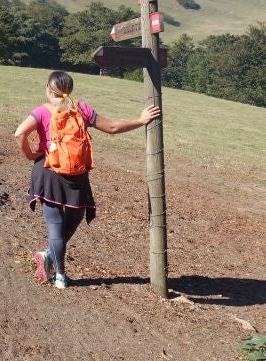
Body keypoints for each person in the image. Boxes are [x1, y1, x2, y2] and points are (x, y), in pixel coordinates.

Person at [13, 70, 161, 289]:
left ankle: (59, 275)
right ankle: (49, 256)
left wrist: (30, 155)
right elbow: (112, 128)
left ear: (48, 89)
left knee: (55, 224)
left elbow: (19, 133)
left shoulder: (42, 111)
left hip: (48, 171)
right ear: (70, 89)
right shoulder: (81, 108)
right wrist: (141, 120)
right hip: (77, 174)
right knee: (75, 216)